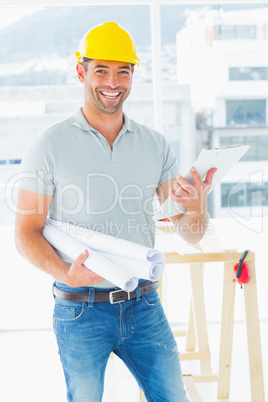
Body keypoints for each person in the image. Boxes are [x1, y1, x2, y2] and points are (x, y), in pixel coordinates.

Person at [15, 22, 216, 402]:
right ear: (81, 72)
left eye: (123, 71)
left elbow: (189, 231)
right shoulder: (49, 145)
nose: (113, 82)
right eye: (101, 70)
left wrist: (196, 209)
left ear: (132, 76)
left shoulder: (155, 145)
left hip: (144, 305)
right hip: (79, 311)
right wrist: (66, 273)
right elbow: (25, 231)